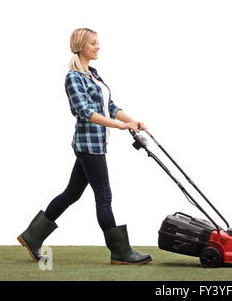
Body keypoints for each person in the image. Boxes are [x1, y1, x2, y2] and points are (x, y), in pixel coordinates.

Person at [17, 28, 152, 265]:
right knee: (104, 196)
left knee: (72, 193)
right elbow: (85, 112)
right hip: (88, 145)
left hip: (96, 143)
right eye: (93, 42)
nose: (98, 46)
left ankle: (31, 236)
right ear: (81, 46)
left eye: (98, 42)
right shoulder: (74, 77)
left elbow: (109, 105)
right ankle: (120, 251)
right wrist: (119, 127)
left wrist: (130, 121)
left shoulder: (93, 74)